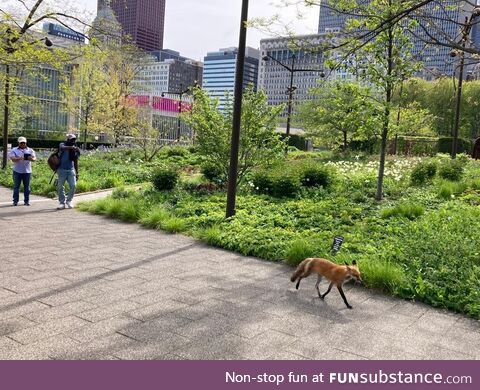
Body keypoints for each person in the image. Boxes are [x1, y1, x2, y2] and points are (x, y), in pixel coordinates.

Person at [8, 136, 36, 206]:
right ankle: (15, 201)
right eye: (21, 143)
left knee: (27, 187)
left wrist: (31, 159)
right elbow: (12, 158)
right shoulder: (14, 150)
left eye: (24, 143)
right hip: (17, 171)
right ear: (18, 143)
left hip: (27, 171)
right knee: (16, 187)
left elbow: (34, 158)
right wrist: (19, 158)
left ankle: (26, 201)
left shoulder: (30, 150)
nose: (22, 144)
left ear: (26, 143)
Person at [56, 134, 80, 210]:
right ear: (68, 139)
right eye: (71, 139)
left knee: (73, 186)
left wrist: (77, 172)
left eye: (74, 139)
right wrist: (71, 147)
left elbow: (76, 161)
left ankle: (69, 201)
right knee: (60, 187)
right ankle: (62, 202)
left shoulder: (75, 148)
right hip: (61, 169)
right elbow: (62, 147)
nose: (73, 141)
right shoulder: (63, 144)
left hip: (71, 170)